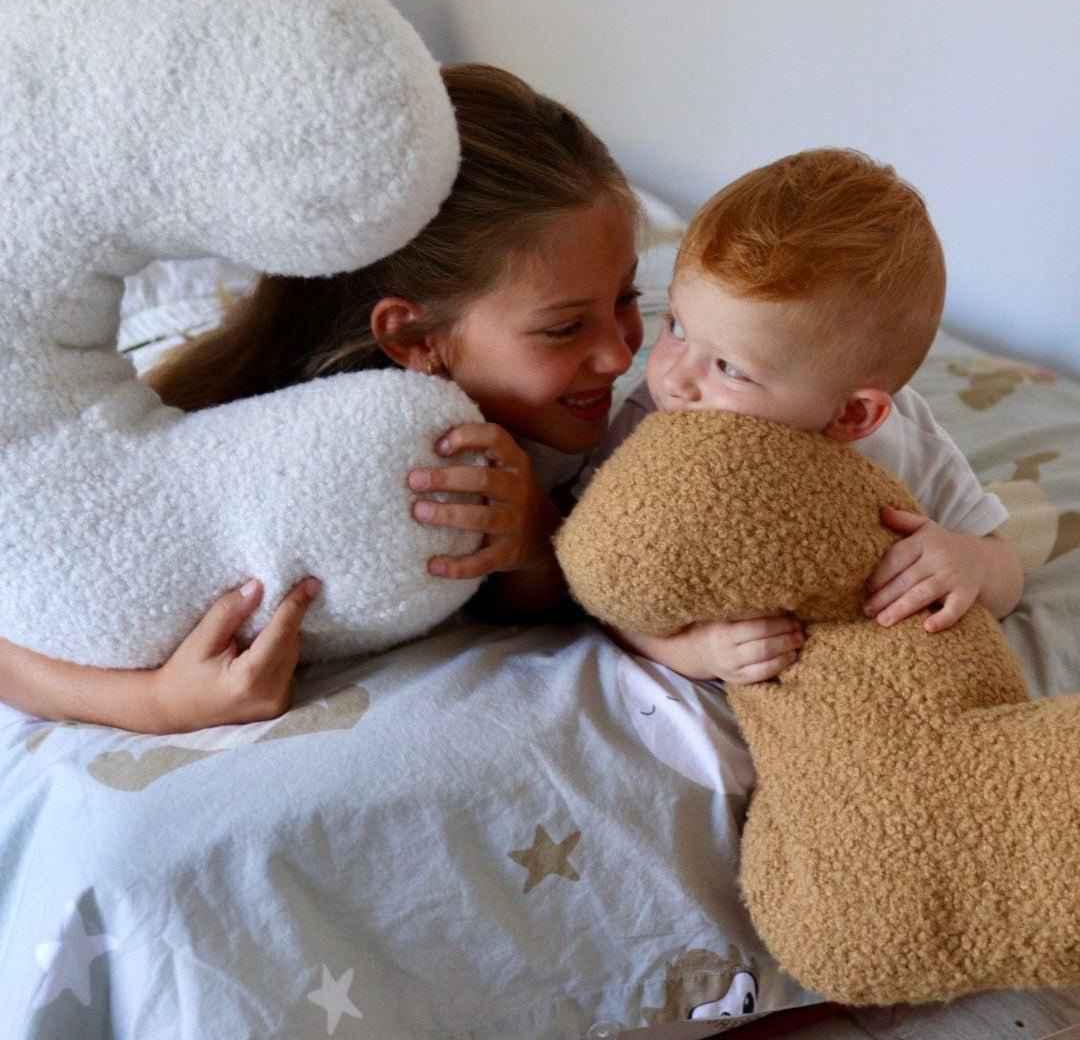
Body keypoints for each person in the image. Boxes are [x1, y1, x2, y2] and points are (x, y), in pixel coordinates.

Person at [0, 63, 644, 733]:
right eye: (565, 328)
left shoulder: (599, 437)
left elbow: (541, 596)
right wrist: (154, 702)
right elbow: (24, 608)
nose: (621, 354)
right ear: (413, 335)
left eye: (628, 297)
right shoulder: (250, 451)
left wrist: (536, 539)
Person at [585, 148, 1024, 686]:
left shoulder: (905, 446)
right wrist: (691, 653)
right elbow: (598, 577)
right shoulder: (652, 419)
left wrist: (969, 563)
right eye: (676, 326)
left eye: (729, 367)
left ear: (854, 415)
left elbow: (1007, 568)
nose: (675, 377)